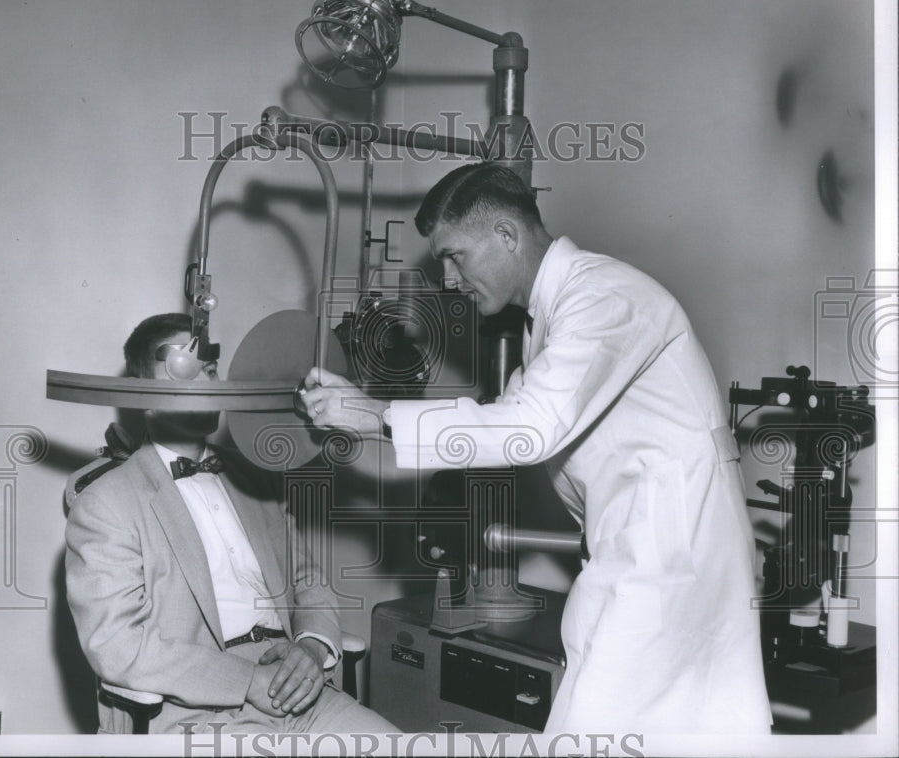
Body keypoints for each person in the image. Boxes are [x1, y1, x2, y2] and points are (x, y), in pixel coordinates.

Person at [300, 162, 772, 734]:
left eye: (455, 256)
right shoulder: (551, 320)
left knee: (596, 734)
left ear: (506, 235)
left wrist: (373, 417)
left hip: (672, 561)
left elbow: (529, 428)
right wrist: (366, 417)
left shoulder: (603, 297)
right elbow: (504, 429)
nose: (449, 280)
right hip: (640, 553)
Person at [65, 313, 395, 734]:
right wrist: (245, 681)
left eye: (212, 369)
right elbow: (117, 644)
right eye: (188, 370)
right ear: (143, 396)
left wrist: (312, 646)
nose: (210, 382)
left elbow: (306, 578)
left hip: (301, 692)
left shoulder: (255, 475)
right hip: (196, 713)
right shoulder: (106, 503)